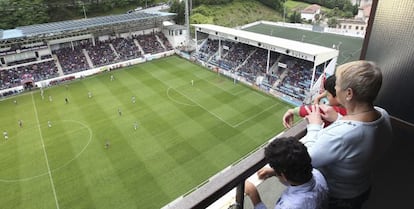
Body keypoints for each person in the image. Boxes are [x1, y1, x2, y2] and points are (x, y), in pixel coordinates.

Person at [300, 60, 392, 209]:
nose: (335, 88)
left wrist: (314, 126)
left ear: (349, 93)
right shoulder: (383, 114)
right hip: (362, 188)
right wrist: (338, 118)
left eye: (337, 85)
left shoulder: (340, 134)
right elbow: (360, 133)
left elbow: (307, 160)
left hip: (338, 198)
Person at [245, 137, 328, 209]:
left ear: (283, 175)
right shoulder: (317, 175)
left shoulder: (289, 206)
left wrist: (254, 195)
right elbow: (299, 178)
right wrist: (276, 172)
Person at [282, 75, 347, 128]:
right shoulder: (353, 108)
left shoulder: (335, 110)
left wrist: (291, 111)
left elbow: (309, 110)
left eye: (328, 95)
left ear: (338, 95)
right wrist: (318, 97)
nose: (327, 97)